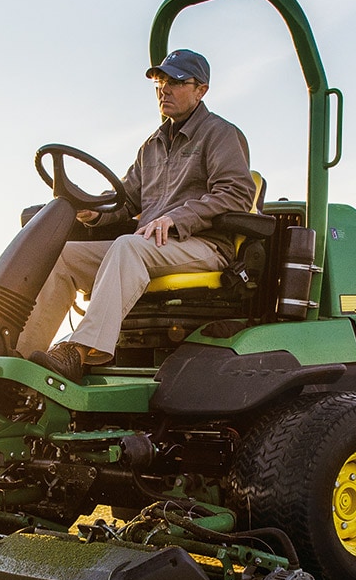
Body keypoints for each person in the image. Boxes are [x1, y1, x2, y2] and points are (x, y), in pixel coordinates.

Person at [17, 49, 254, 382]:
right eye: (160, 82)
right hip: (149, 245)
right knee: (65, 257)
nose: (164, 90)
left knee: (128, 246)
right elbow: (126, 201)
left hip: (202, 246)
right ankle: (21, 359)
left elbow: (236, 193)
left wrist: (177, 218)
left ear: (201, 90)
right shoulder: (151, 146)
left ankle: (79, 352)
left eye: (175, 82)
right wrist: (93, 213)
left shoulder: (220, 134)